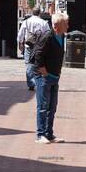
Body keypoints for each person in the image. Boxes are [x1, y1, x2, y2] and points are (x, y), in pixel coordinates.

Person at [29, 12, 68, 144]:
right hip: (43, 77)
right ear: (56, 26)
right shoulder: (47, 37)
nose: (67, 26)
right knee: (43, 106)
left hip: (54, 76)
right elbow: (38, 55)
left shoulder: (62, 36)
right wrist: (43, 71)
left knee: (52, 106)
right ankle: (40, 135)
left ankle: (49, 134)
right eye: (65, 24)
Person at [17, 9, 51, 92]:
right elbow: (48, 34)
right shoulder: (43, 22)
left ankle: (31, 84)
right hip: (40, 46)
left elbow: (20, 34)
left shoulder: (26, 22)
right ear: (39, 13)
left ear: (32, 13)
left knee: (29, 64)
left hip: (29, 45)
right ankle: (40, 82)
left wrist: (20, 43)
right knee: (40, 63)